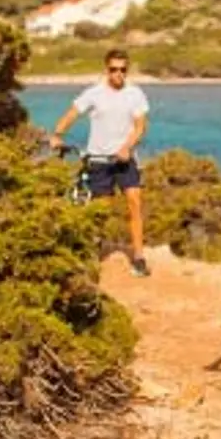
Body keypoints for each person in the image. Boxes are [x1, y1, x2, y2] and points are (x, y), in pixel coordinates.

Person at [50, 48, 151, 277]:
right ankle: (93, 253)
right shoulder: (94, 93)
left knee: (134, 203)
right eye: (114, 69)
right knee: (101, 211)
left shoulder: (135, 94)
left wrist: (126, 147)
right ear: (106, 69)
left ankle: (139, 257)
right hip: (99, 161)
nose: (118, 74)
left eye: (123, 70)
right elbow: (72, 114)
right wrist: (57, 134)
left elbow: (140, 127)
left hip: (125, 161)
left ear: (127, 70)